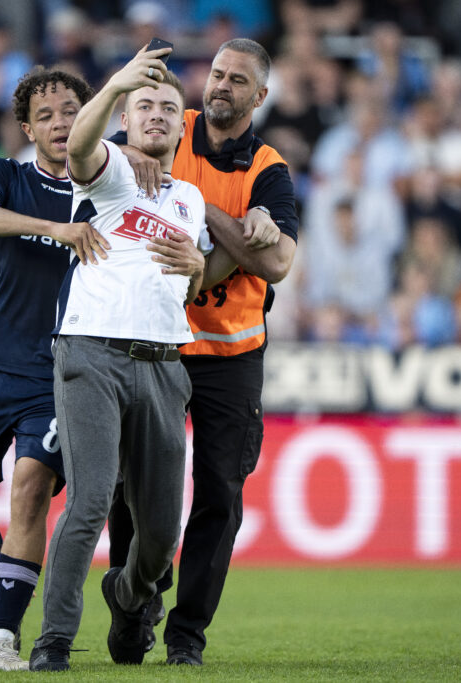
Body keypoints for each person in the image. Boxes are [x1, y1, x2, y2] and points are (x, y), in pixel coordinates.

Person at [28, 46, 235, 673]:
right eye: (142, 105)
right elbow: (79, 142)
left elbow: (194, 281)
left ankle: (126, 593)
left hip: (165, 364)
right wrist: (117, 81)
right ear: (123, 117)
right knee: (90, 501)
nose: (155, 115)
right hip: (92, 349)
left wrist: (202, 265)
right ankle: (54, 641)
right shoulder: (111, 167)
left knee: (160, 537)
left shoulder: (190, 201)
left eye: (168, 109)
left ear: (180, 126)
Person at [107, 37, 298, 666]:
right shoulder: (165, 125)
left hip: (232, 354)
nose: (219, 86)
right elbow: (107, 173)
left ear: (260, 97)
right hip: (157, 341)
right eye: (216, 74)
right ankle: (136, 606)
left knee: (220, 494)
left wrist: (207, 215)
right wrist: (238, 231)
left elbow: (278, 262)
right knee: (129, 487)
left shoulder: (269, 167)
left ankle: (186, 638)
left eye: (237, 80)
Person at [0, 67, 104, 671]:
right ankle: (12, 591)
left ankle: (1, 637)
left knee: (30, 492)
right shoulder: (5, 175)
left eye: (71, 110)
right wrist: (55, 230)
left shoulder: (105, 184)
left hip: (57, 371)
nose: (61, 121)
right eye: (48, 113)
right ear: (28, 128)